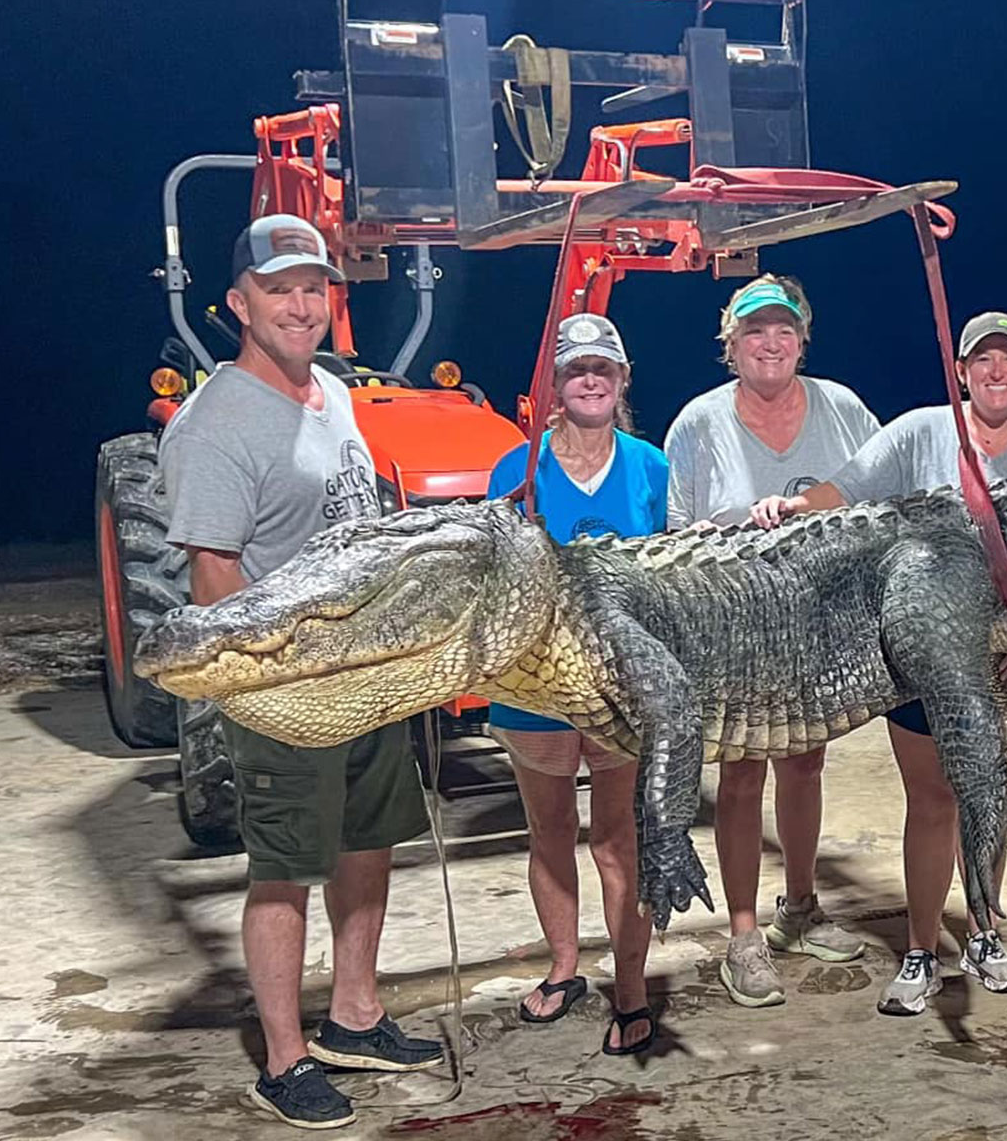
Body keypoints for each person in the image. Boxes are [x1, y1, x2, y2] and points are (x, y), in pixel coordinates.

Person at [158, 215, 441, 1130]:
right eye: (280, 288)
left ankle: (354, 1014)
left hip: (366, 674)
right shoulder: (216, 425)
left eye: (315, 288)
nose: (301, 305)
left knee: (371, 840)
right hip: (285, 689)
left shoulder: (333, 392)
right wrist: (272, 689)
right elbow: (215, 577)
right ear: (239, 302)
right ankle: (282, 1061)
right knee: (283, 868)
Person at [750, 310, 1007, 1017]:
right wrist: (790, 507)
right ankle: (922, 949)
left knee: (993, 800)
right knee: (933, 803)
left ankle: (985, 932)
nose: (995, 371)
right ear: (960, 371)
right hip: (924, 659)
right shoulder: (920, 431)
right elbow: (845, 490)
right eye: (981, 360)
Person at [663, 275, 880, 1008]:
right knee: (743, 775)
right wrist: (727, 533)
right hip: (736, 629)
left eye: (783, 329)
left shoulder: (844, 408)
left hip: (820, 626)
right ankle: (744, 935)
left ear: (802, 339)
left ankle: (799, 907)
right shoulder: (697, 422)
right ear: (731, 345)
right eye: (755, 331)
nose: (770, 342)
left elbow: (882, 494)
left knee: (805, 765)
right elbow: (675, 533)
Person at [484, 312, 669, 1055]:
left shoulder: (652, 467)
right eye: (574, 370)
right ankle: (565, 966)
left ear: (621, 382)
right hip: (534, 688)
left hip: (620, 687)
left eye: (603, 369)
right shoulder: (515, 469)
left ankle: (630, 983)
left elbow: (674, 580)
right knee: (550, 829)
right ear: (554, 386)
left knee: (620, 838)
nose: (589, 380)